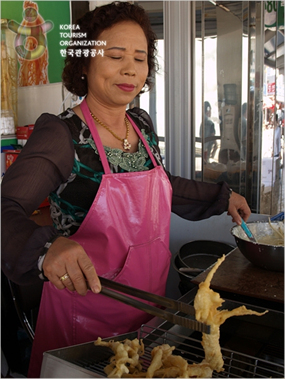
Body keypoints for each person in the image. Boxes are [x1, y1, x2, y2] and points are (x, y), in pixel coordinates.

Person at [1, 2, 250, 377]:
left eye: (141, 57)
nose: (130, 68)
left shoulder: (141, 124)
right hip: (82, 322)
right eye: (115, 55)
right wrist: (47, 247)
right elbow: (5, 208)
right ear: (84, 64)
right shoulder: (61, 134)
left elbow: (163, 187)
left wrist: (220, 198)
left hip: (150, 309)